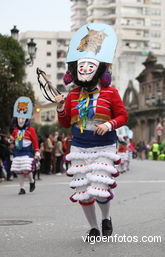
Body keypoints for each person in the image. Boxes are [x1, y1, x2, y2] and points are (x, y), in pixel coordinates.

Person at [55, 23, 128, 240]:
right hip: (79, 145)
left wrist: (109, 125)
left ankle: (106, 217)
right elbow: (65, 121)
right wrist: (60, 107)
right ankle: (94, 227)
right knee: (83, 190)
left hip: (104, 145)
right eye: (82, 66)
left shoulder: (111, 93)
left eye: (90, 66)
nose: (85, 69)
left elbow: (123, 116)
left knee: (99, 186)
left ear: (98, 69)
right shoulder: (72, 95)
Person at [10, 97, 40, 195]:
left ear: (26, 119)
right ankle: (22, 188)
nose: (21, 120)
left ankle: (32, 181)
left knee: (27, 168)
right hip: (18, 152)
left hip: (27, 152)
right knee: (19, 170)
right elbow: (12, 140)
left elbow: (35, 141)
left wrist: (37, 152)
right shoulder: (15, 131)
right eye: (19, 118)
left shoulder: (31, 130)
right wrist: (10, 140)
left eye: (23, 118)